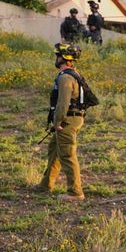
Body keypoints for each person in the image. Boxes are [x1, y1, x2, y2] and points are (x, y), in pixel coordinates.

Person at [37, 43, 87, 201]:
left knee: (67, 154)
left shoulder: (65, 77)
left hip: (66, 120)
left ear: (64, 58)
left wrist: (57, 122)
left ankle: (75, 192)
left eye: (57, 55)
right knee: (54, 150)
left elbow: (63, 103)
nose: (56, 58)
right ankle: (46, 184)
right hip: (72, 118)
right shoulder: (74, 74)